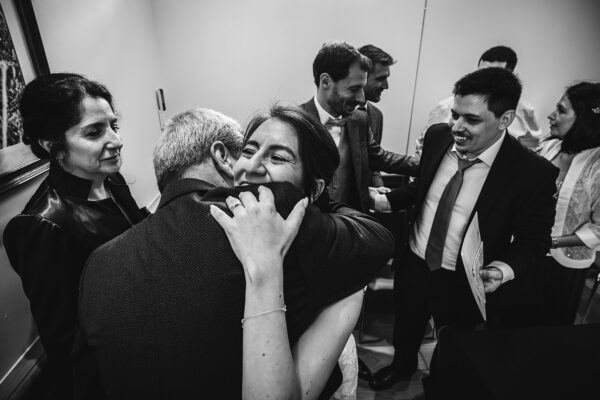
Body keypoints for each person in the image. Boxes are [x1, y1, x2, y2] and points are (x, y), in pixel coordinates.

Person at [74, 105, 394, 399]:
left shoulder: (99, 263)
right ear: (224, 157)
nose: (253, 165)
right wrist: (309, 200)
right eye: (248, 150)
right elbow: (378, 237)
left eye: (278, 157)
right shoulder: (268, 210)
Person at [368, 67, 558, 391]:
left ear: (505, 119)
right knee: (407, 324)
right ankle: (402, 368)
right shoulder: (437, 136)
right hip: (415, 260)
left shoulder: (532, 173)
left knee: (453, 345)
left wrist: (503, 269)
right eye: (455, 114)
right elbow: (423, 188)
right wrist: (386, 201)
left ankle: (440, 384)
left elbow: (534, 241)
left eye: (471, 119)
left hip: (465, 279)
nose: (456, 126)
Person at [3, 73, 147, 399]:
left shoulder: (110, 178)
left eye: (114, 125)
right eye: (95, 132)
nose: (116, 140)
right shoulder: (42, 225)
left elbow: (136, 227)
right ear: (52, 145)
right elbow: (65, 342)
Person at [300, 41, 418, 213]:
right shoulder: (295, 122)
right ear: (326, 82)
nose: (362, 99)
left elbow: (380, 157)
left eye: (362, 88)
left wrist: (429, 161)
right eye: (354, 89)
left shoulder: (360, 120)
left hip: (349, 225)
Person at [536, 81, 600, 325]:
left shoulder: (597, 165)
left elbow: (598, 228)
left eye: (562, 111)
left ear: (585, 119)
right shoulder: (550, 147)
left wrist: (551, 241)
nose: (552, 116)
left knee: (545, 332)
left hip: (562, 267)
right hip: (526, 253)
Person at [415, 45, 543, 157]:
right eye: (481, 72)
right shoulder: (447, 106)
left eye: (492, 75)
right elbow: (424, 146)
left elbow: (532, 151)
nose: (484, 79)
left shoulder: (525, 112)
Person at [357, 44, 397, 187]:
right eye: (381, 78)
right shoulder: (338, 113)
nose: (386, 86)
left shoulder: (376, 115)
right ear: (362, 77)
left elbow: (374, 164)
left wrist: (379, 188)